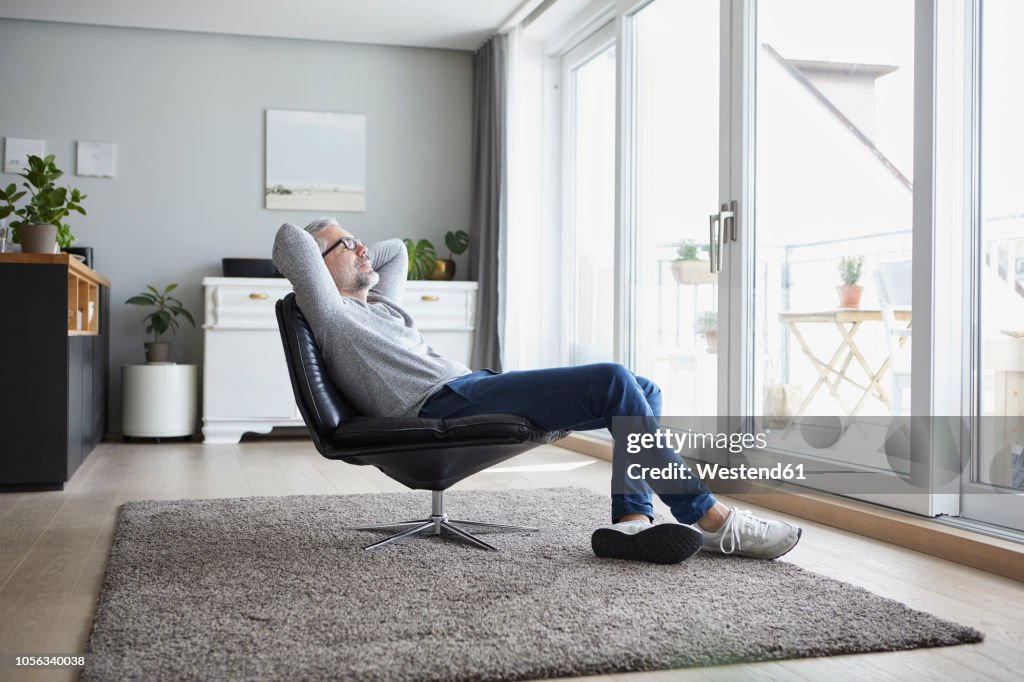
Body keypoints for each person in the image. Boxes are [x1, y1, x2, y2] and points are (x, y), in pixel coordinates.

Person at [272, 218, 802, 564]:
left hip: (472, 386)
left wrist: (347, 247)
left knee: (643, 388)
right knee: (613, 380)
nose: (364, 248)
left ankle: (633, 522)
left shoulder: (375, 304)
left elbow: (395, 252)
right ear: (314, 270)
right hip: (441, 401)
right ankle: (709, 517)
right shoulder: (330, 313)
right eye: (346, 245)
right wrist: (323, 239)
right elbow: (289, 240)